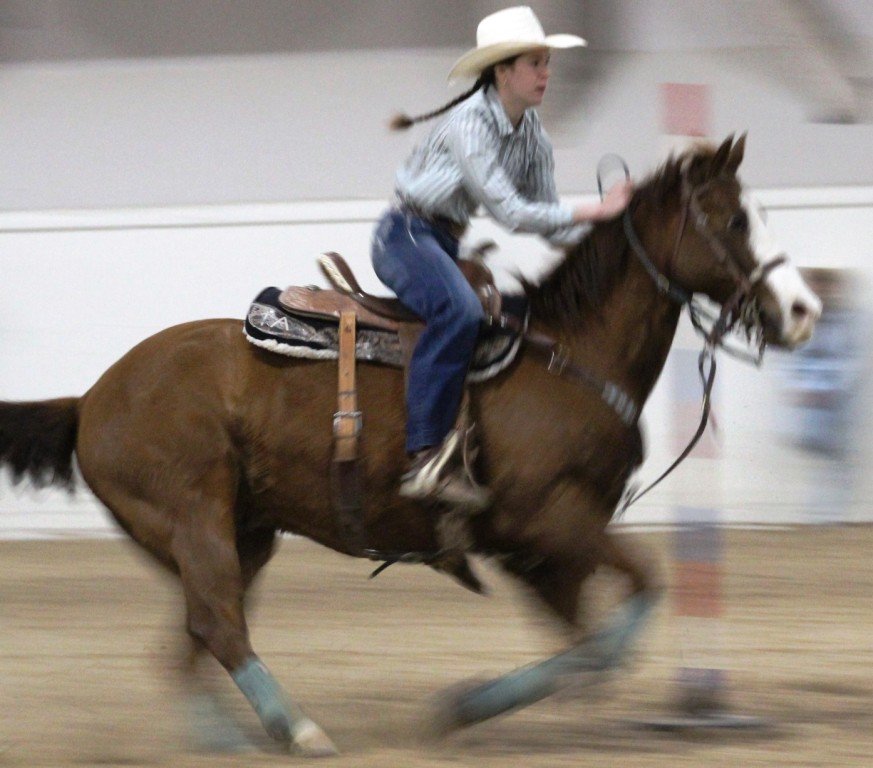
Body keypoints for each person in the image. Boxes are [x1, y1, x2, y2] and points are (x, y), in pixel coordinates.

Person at [371, 5, 633, 508]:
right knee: (460, 311)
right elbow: (511, 212)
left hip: (443, 243)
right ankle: (424, 455)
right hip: (404, 235)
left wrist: (608, 234)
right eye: (535, 63)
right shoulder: (470, 123)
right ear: (502, 71)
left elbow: (549, 220)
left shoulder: (533, 134)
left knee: (506, 317)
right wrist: (597, 209)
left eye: (546, 62)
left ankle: (471, 445)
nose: (546, 73)